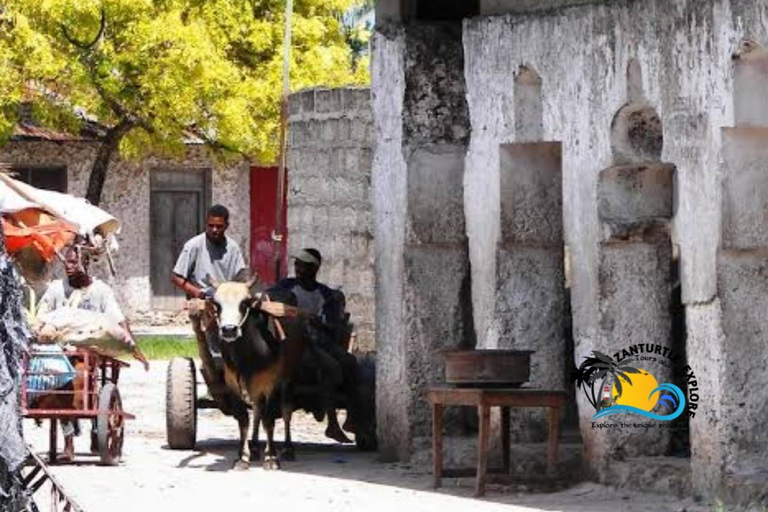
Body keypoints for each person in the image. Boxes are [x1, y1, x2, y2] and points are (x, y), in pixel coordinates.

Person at [36, 244, 148, 461]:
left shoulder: (100, 291)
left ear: (86, 263)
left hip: (89, 352)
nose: (69, 266)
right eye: (66, 261)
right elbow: (42, 316)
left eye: (74, 262)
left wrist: (134, 348)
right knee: (52, 375)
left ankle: (95, 428)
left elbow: (118, 320)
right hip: (59, 352)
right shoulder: (56, 289)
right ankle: (68, 443)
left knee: (79, 374)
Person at [271, 248, 359, 444]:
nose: (298, 268)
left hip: (319, 340)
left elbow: (331, 321)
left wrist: (316, 320)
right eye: (297, 264)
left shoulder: (325, 294)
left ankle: (352, 418)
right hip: (294, 343)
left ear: (314, 268)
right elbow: (270, 299)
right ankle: (332, 424)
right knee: (330, 366)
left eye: (303, 265)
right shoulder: (286, 286)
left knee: (350, 362)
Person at [170, 204, 247, 411]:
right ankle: (216, 378)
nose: (214, 230)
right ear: (206, 224)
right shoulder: (194, 245)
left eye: (219, 226)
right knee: (214, 342)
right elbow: (177, 277)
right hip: (207, 299)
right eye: (211, 226)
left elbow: (240, 277)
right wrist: (199, 293)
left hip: (229, 299)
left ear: (226, 226)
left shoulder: (232, 248)